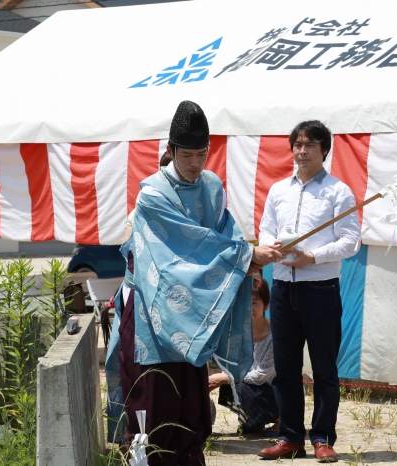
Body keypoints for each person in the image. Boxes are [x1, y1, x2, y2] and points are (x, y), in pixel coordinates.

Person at [113, 100, 282, 466]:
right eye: (187, 154)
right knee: (153, 405)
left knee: (189, 405)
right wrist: (245, 257)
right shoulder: (153, 195)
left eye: (201, 154)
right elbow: (182, 251)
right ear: (171, 151)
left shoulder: (212, 187)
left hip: (191, 315)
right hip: (150, 314)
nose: (195, 163)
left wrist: (251, 253)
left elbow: (226, 234)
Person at [257, 120, 361, 462]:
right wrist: (271, 250)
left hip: (321, 290)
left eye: (310, 145)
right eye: (298, 144)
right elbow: (265, 231)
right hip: (283, 288)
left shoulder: (338, 191)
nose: (302, 151)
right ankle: (290, 436)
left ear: (324, 150)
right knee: (285, 367)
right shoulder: (277, 191)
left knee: (324, 369)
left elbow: (351, 242)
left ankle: (322, 438)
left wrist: (312, 256)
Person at [208, 275, 279, 434]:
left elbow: (262, 376)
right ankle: (257, 419)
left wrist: (224, 378)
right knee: (229, 383)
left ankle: (280, 417)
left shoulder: (273, 335)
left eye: (254, 303)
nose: (248, 307)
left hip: (274, 390)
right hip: (255, 387)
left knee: (231, 381)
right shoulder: (239, 331)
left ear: (266, 306)